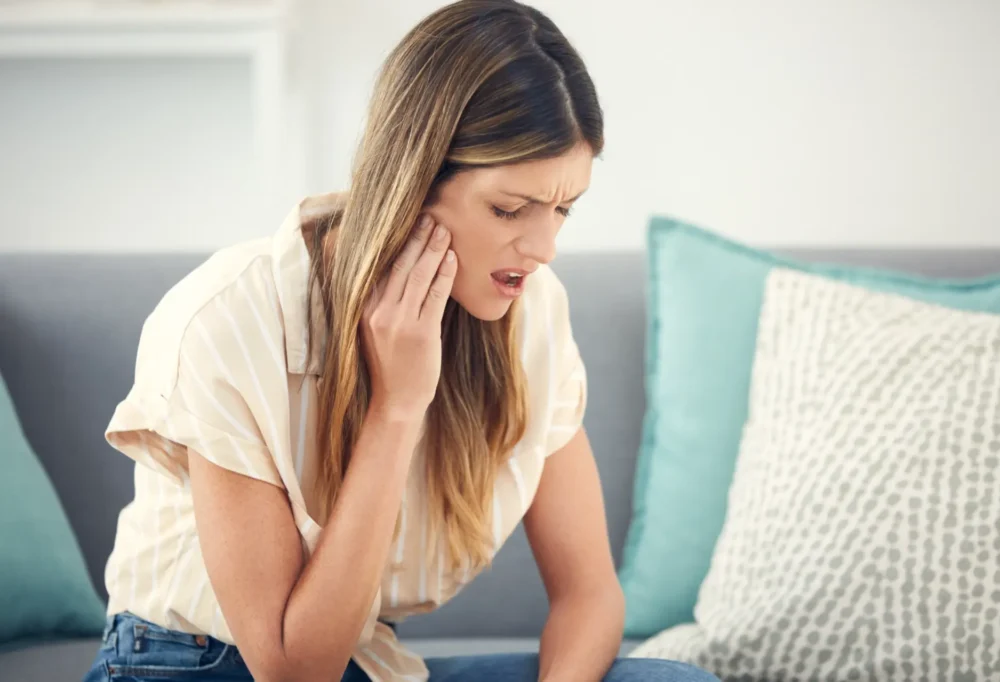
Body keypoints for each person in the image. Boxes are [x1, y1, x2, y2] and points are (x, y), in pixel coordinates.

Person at [83, 1, 718, 681]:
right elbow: (293, 671)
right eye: (509, 210)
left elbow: (589, 595)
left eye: (562, 208)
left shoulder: (531, 314)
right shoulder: (231, 318)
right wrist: (398, 407)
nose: (544, 247)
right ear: (414, 180)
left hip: (368, 664)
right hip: (188, 666)